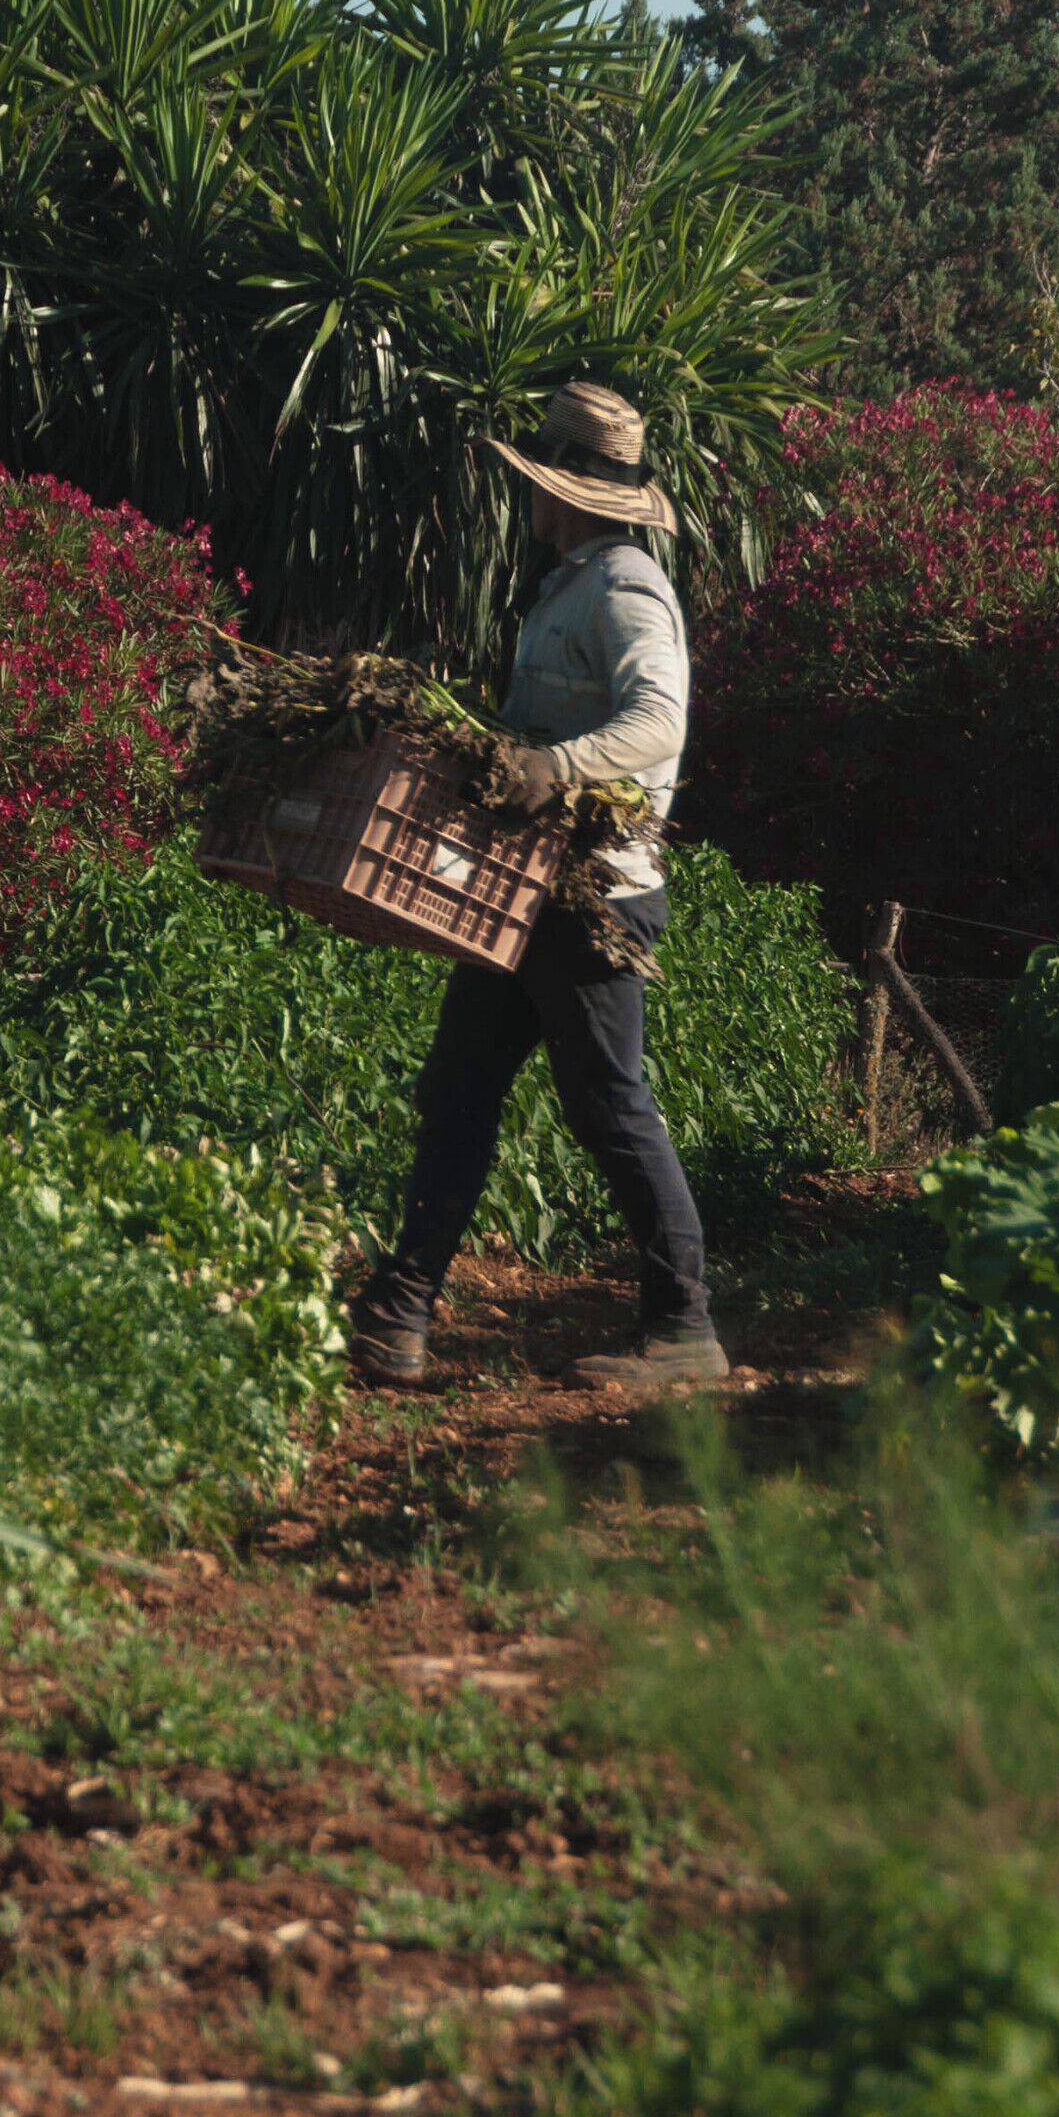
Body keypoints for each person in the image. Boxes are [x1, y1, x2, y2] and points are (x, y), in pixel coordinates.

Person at [346, 381, 724, 1395]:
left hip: (596, 893)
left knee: (608, 1103)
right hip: (531, 887)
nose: (530, 503)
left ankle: (683, 1327)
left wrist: (557, 768)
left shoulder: (626, 589)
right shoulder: (570, 582)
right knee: (461, 1080)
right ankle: (402, 1307)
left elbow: (660, 721)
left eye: (539, 486)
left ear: (567, 492)